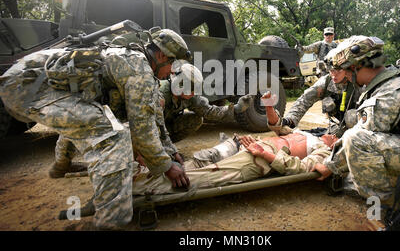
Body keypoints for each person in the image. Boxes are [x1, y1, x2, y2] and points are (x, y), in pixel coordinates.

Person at [0, 27, 191, 229]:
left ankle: (62, 167)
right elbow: (141, 129)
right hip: (27, 86)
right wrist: (167, 167)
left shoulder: (136, 61)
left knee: (89, 122)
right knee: (114, 139)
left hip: (23, 81)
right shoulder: (139, 68)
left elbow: (153, 118)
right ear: (161, 55)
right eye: (173, 63)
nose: (172, 71)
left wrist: (170, 151)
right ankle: (110, 221)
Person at [312, 36, 400, 209]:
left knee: (355, 140)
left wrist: (329, 166)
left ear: (355, 67)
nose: (345, 75)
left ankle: (380, 212)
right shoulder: (392, 79)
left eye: (345, 70)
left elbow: (361, 134)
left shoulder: (390, 91)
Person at [132, 100, 335, 196]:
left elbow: (298, 169)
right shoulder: (307, 133)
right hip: (253, 148)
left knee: (201, 177)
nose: (332, 134)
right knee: (199, 161)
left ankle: (135, 187)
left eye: (335, 135)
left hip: (259, 159)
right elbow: (277, 125)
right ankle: (148, 171)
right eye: (332, 131)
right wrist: (269, 106)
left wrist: (263, 152)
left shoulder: (325, 152)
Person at [160, 61, 253, 142]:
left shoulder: (189, 97)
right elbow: (150, 127)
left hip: (164, 127)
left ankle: (169, 147)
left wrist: (236, 109)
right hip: (152, 129)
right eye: (192, 88)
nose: (194, 93)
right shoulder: (160, 94)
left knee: (196, 120)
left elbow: (209, 111)